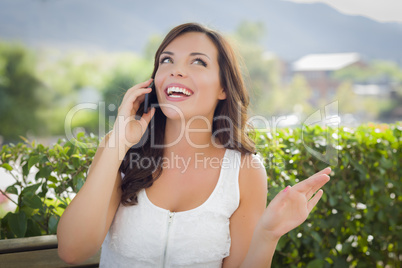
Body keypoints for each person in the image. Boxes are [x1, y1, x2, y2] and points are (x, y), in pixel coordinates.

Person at [57, 22, 331, 267]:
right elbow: (73, 251)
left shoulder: (245, 171)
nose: (176, 70)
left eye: (197, 62)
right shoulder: (119, 150)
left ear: (223, 88)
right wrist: (118, 142)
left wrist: (268, 235)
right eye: (166, 60)